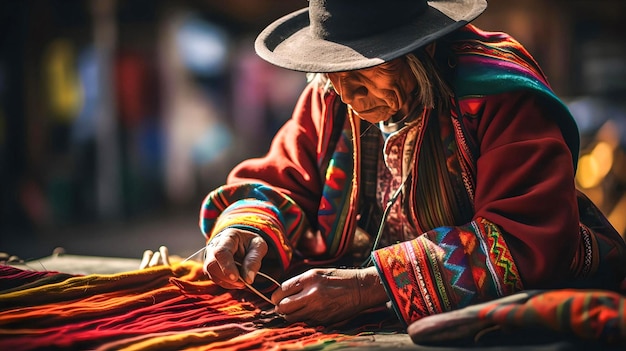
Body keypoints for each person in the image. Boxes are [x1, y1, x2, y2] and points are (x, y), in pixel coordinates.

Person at [142, 0, 626, 330]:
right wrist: (248, 231)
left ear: (423, 48)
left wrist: (372, 285)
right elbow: (278, 182)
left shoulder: (500, 98)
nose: (349, 97)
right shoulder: (330, 97)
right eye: (335, 74)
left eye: (366, 71)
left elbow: (527, 239)